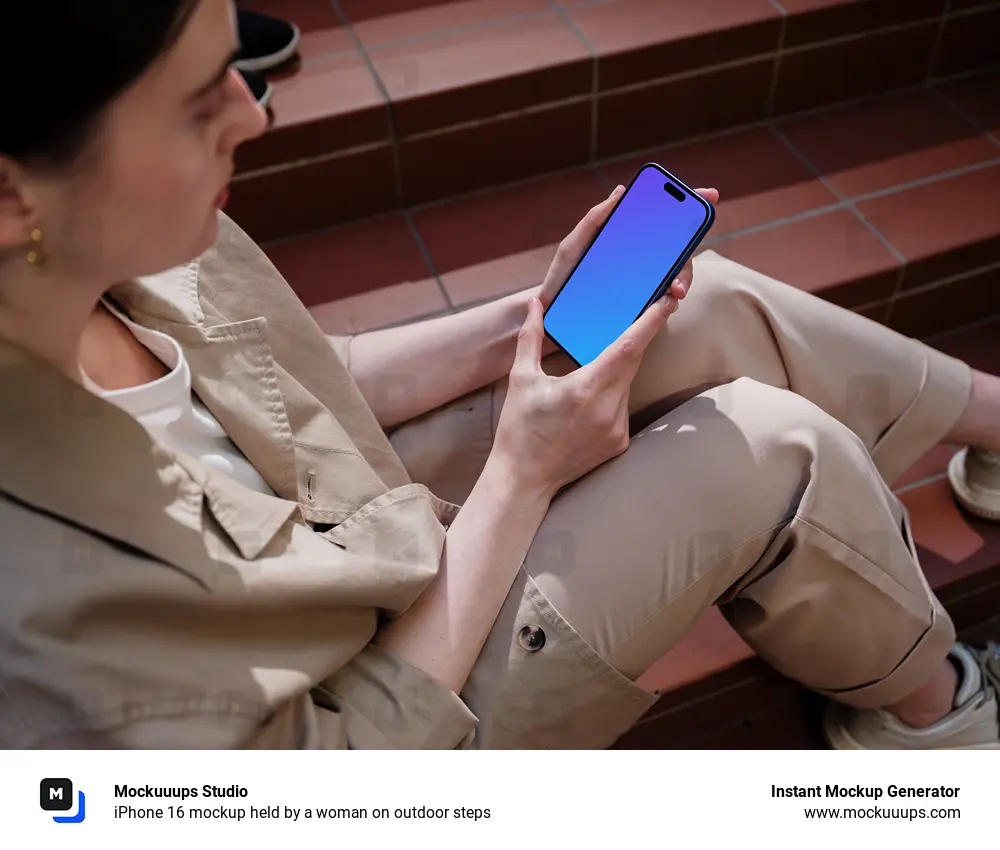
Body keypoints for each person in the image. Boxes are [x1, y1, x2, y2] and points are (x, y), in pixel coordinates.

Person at [1, 0, 997, 751]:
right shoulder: (41, 610)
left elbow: (285, 374)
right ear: (12, 196)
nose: (250, 116)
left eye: (237, 69)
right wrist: (523, 469)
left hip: (350, 533)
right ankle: (939, 719)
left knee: (697, 309)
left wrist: (526, 325)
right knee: (772, 452)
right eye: (193, 103)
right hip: (389, 717)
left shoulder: (131, 249)